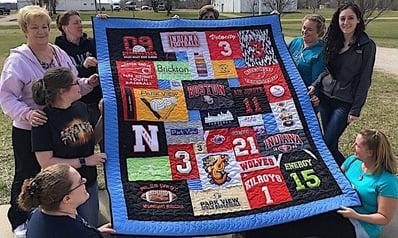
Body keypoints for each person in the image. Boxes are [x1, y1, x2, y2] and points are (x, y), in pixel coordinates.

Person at [0, 5, 98, 237]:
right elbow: (6, 97)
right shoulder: (18, 61)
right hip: (31, 127)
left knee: (58, 176)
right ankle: (20, 220)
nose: (42, 32)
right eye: (35, 27)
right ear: (25, 30)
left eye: (44, 26)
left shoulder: (58, 53)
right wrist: (27, 113)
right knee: (28, 173)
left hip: (61, 124)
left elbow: (70, 83)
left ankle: (58, 216)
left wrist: (87, 84)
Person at [243, 129, 398, 238]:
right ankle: (252, 230)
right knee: (302, 213)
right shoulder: (353, 161)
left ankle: (254, 234)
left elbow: (384, 217)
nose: (353, 147)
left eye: (357, 145)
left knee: (310, 225)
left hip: (360, 224)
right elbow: (333, 177)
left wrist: (355, 215)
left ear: (370, 152)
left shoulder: (387, 181)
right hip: (339, 207)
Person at [31, 67, 106, 227]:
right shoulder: (43, 121)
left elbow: (90, 140)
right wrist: (85, 161)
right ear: (62, 91)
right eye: (76, 82)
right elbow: (46, 162)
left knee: (90, 225)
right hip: (63, 191)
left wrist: (104, 116)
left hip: (88, 182)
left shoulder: (80, 107)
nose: (81, 84)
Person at [308, 2, 376, 166]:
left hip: (344, 103)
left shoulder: (367, 46)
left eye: (350, 18)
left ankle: (351, 174)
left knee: (327, 143)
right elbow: (326, 70)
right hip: (325, 98)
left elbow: (365, 80)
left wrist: (356, 109)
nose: (346, 23)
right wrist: (315, 85)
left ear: (358, 20)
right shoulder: (333, 41)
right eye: (342, 19)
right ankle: (336, 176)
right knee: (330, 143)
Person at [18, 163, 116, 238]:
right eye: (80, 181)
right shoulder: (82, 233)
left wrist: (96, 232)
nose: (84, 180)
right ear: (67, 199)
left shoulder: (36, 215)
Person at [55, 10, 103, 129]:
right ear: (65, 28)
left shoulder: (91, 43)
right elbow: (62, 75)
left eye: (80, 22)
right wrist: (83, 66)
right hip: (76, 102)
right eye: (76, 23)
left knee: (104, 138)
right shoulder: (58, 50)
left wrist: (102, 23)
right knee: (82, 142)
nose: (80, 25)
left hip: (97, 99)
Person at [287, 14, 326, 108]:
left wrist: (315, 96)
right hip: (286, 92)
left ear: (319, 32)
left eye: (310, 29)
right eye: (304, 28)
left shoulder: (320, 52)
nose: (305, 32)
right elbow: (280, 56)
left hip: (304, 96)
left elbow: (316, 79)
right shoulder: (296, 42)